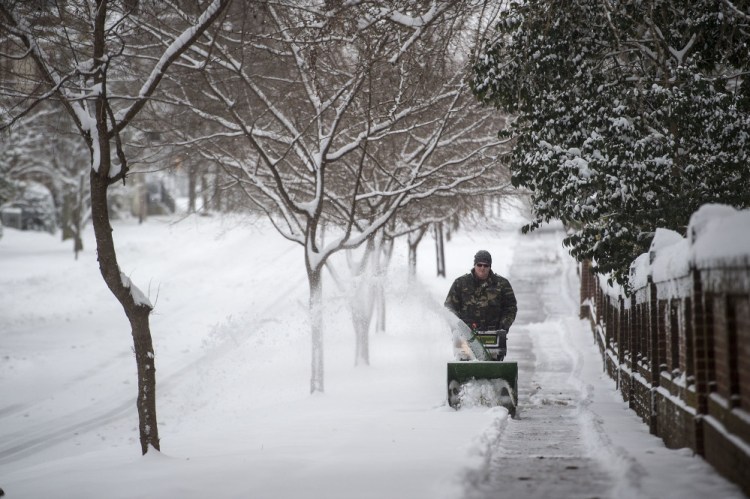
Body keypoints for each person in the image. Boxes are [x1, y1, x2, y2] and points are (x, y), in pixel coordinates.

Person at [444, 249, 517, 360]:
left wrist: (504, 325)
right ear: (475, 265)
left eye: (486, 265)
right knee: (465, 366)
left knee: (493, 368)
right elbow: (449, 308)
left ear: (490, 266)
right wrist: (457, 328)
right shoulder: (460, 283)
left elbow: (510, 308)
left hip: (493, 336)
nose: (482, 268)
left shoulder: (502, 284)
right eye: (479, 265)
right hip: (466, 337)